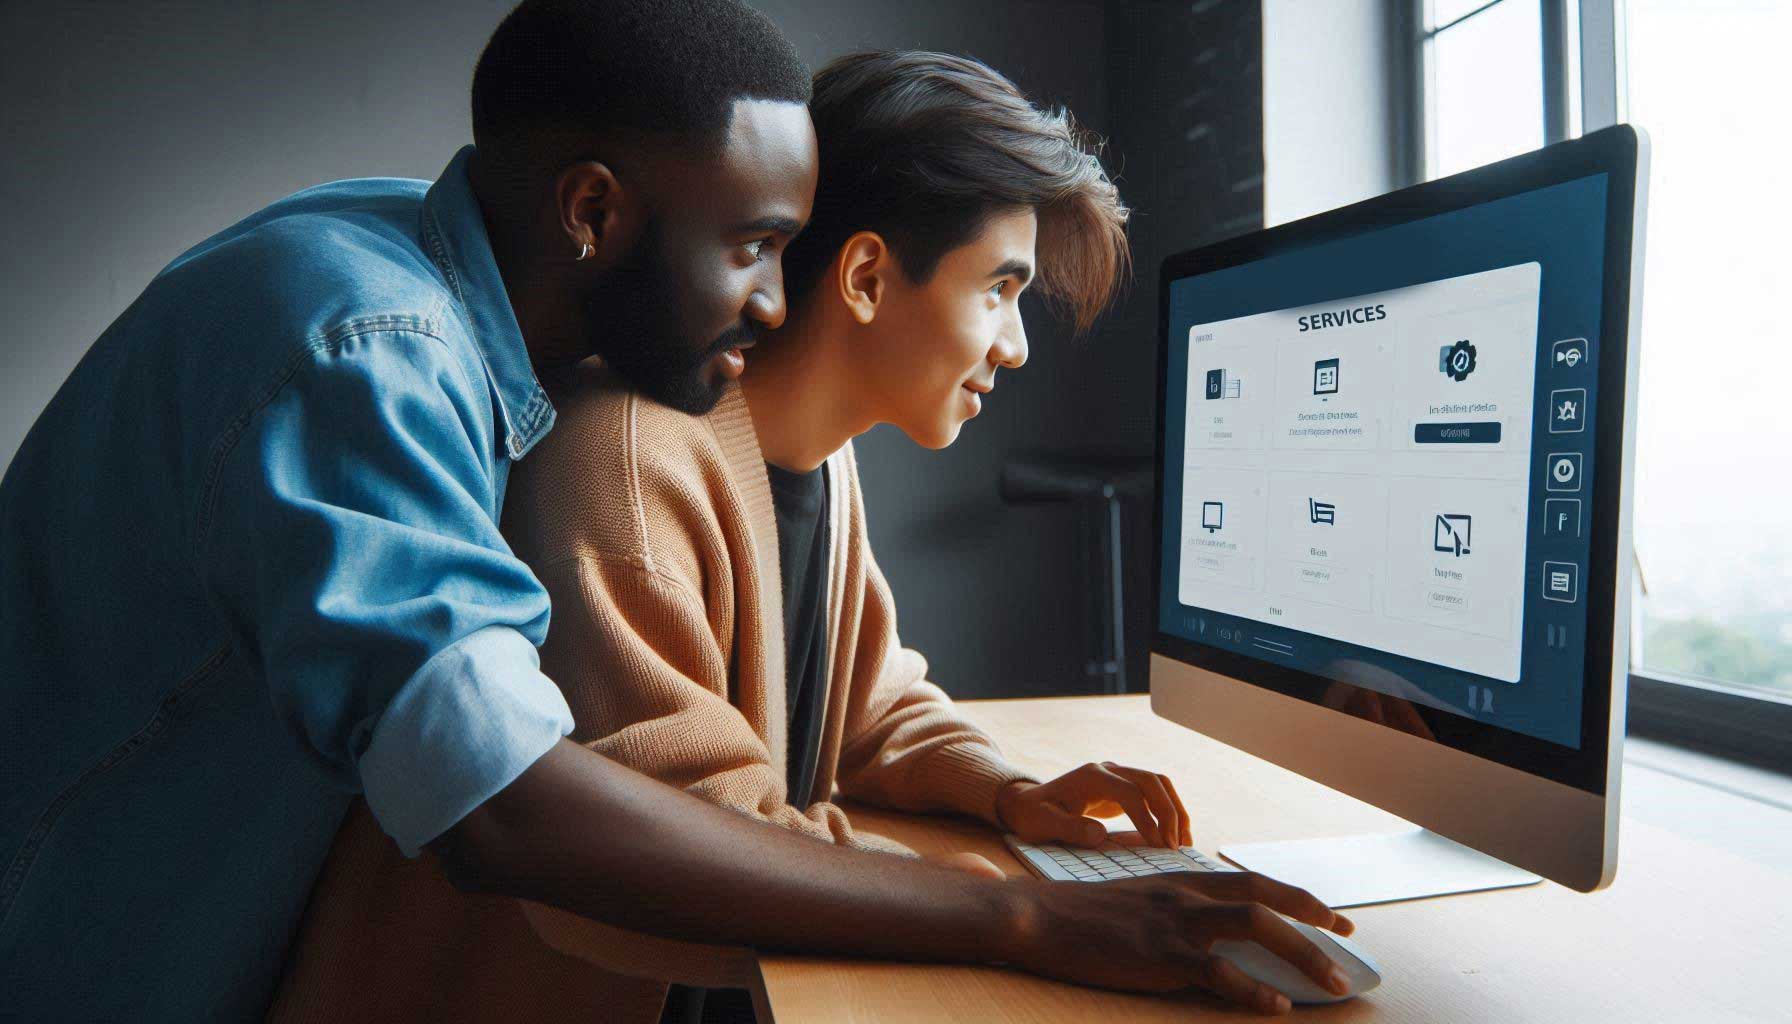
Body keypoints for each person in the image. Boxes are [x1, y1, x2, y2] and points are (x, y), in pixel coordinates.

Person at [0, 2, 1349, 1019]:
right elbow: (501, 805)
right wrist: (1018, 921)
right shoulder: (371, 352)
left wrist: (1008, 804)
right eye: (759, 247)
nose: (775, 303)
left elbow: (860, 700)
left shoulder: (428, 282)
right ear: (593, 210)